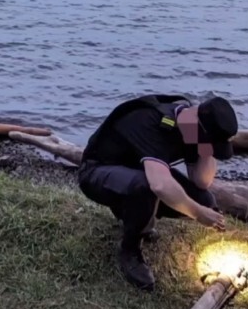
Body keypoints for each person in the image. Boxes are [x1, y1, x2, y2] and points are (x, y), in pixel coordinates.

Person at [77, 93, 238, 291]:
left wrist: (206, 148)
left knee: (205, 200)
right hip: (96, 171)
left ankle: (132, 214)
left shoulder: (192, 128)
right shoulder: (152, 121)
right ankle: (130, 251)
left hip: (138, 170)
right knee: (147, 187)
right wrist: (198, 213)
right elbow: (160, 185)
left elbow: (201, 181)